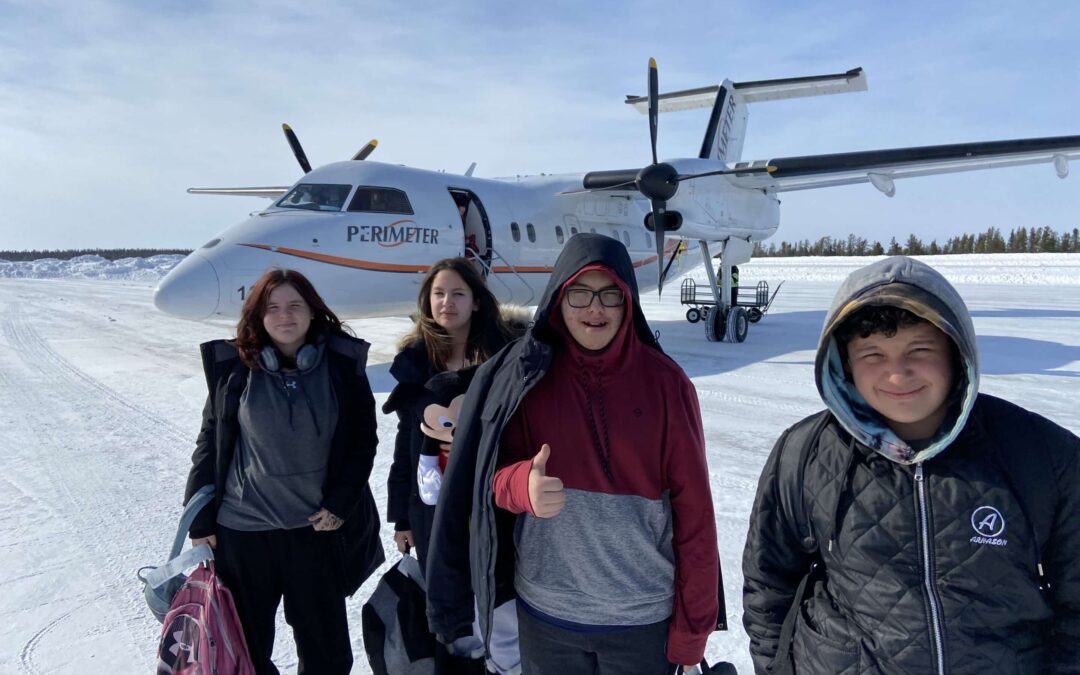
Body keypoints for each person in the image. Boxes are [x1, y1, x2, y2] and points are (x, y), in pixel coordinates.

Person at [742, 255, 1080, 674]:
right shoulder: (805, 453)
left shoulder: (1040, 453)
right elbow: (769, 586)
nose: (897, 374)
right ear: (844, 364)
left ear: (956, 352)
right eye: (872, 354)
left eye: (919, 350)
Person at [426, 233, 720, 673]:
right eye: (579, 293)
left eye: (609, 294)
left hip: (641, 620)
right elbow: (489, 480)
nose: (594, 309)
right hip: (547, 617)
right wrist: (521, 486)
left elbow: (695, 514)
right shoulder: (527, 378)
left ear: (628, 301)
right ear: (558, 299)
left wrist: (692, 632)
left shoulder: (667, 385)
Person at [182, 268, 383, 675]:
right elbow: (210, 441)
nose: (284, 316)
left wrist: (341, 503)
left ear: (312, 311)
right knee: (244, 650)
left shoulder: (341, 366)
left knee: (327, 655)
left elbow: (362, 442)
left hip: (314, 531)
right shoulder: (234, 368)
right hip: (244, 532)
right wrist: (198, 515)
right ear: (258, 315)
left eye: (295, 305)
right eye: (272, 307)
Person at [383, 256, 523, 673]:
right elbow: (405, 447)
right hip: (433, 508)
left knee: (499, 600)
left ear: (476, 301)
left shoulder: (506, 356)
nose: (447, 302)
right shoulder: (416, 362)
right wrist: (401, 517)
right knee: (450, 605)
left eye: (458, 293)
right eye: (439, 294)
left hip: (494, 502)